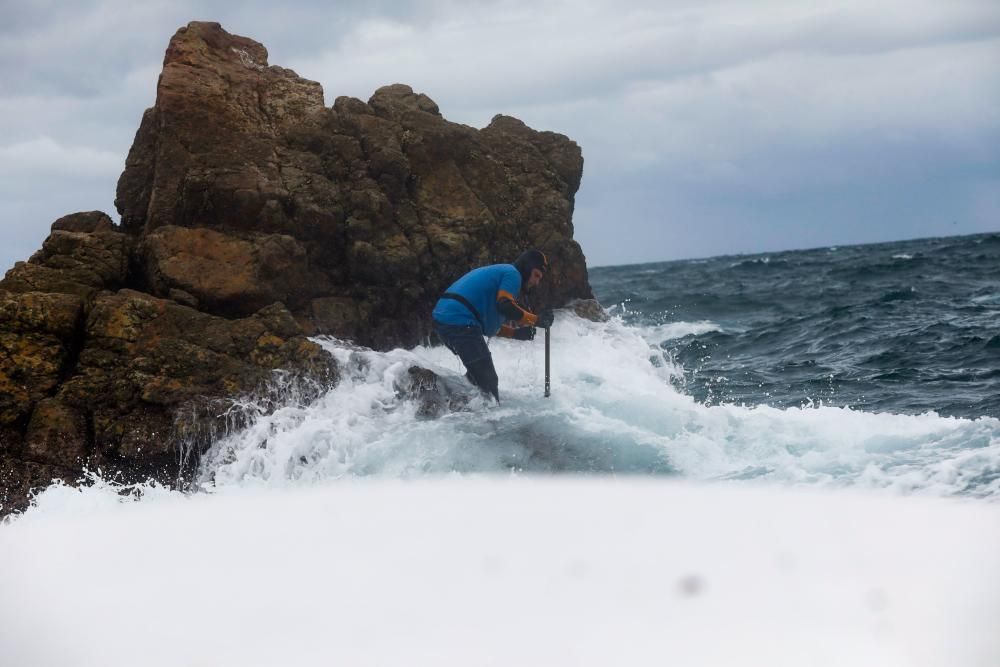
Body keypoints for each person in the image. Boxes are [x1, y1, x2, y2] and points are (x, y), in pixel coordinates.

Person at [432, 250, 555, 402]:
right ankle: (484, 423)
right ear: (527, 267)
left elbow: (486, 325)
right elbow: (505, 306)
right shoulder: (513, 274)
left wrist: (515, 334)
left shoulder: (501, 275)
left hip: (445, 319)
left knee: (476, 377)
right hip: (458, 320)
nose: (537, 282)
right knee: (488, 382)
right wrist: (536, 320)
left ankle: (444, 401)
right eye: (536, 275)